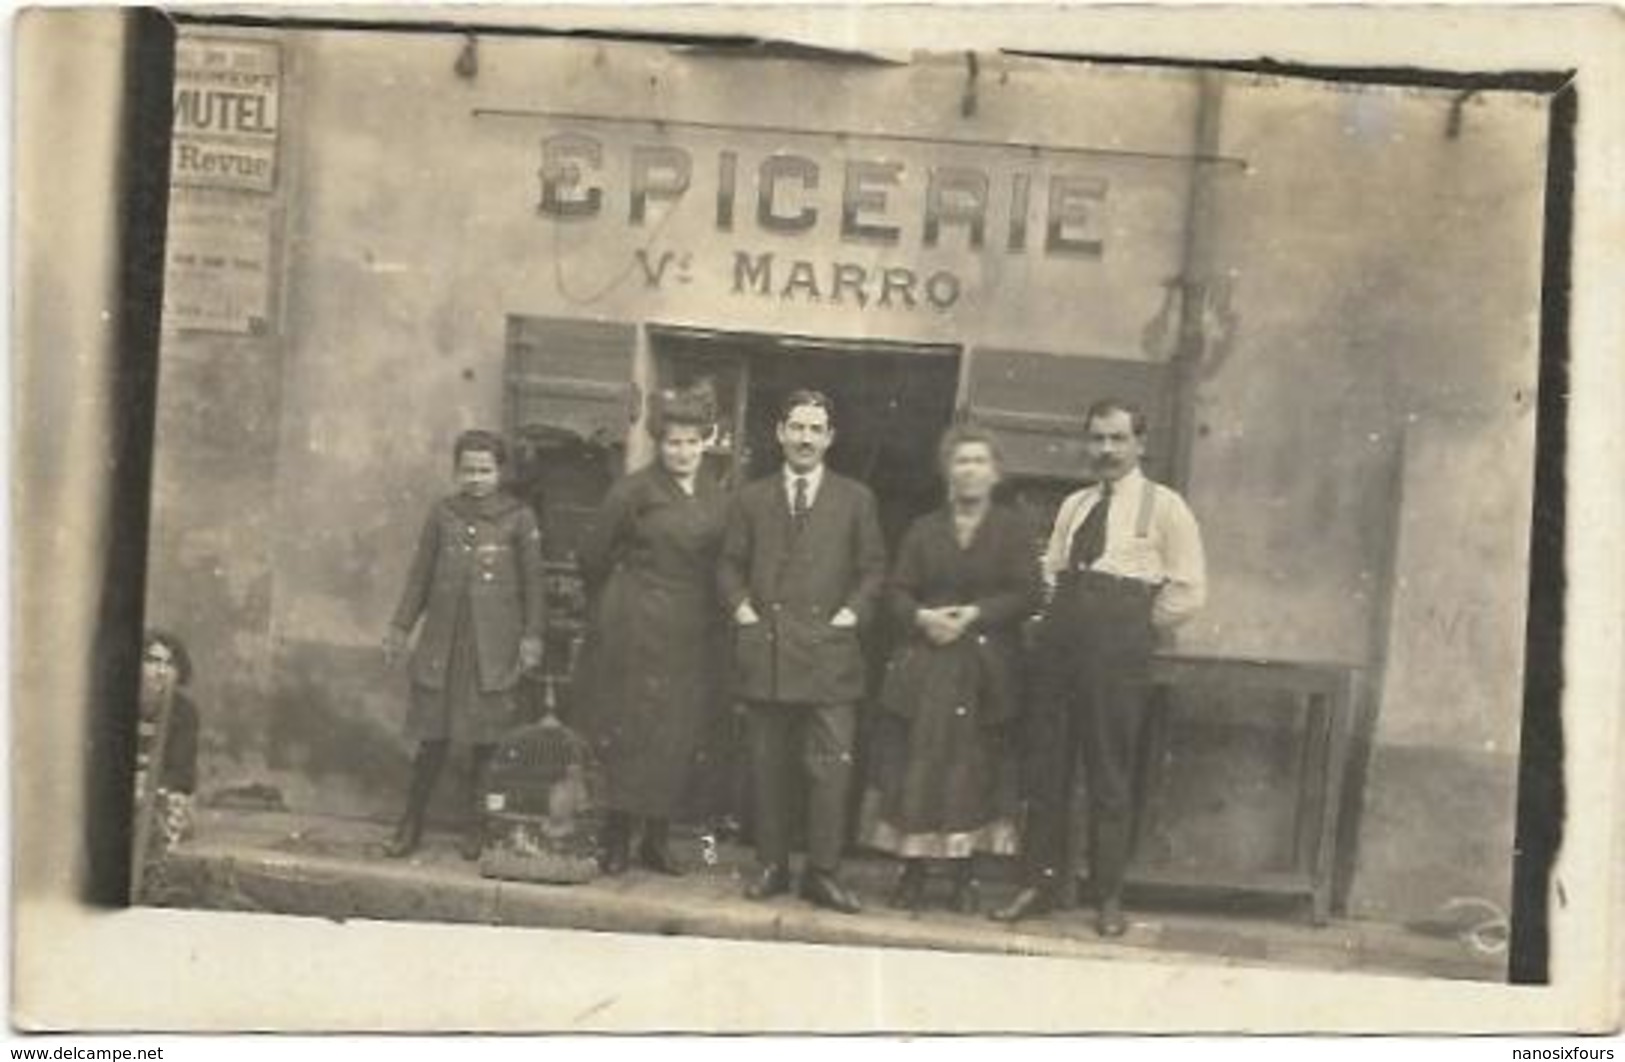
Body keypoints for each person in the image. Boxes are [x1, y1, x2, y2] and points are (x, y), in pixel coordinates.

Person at [991, 399, 1206, 936]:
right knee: (1047, 766)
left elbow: (1188, 591)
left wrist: (1129, 623)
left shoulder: (1165, 507)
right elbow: (1052, 570)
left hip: (1118, 648)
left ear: (1140, 444)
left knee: (1109, 772)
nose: (1106, 451)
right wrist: (1055, 620)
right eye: (1097, 440)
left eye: (1117, 439)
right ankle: (1039, 884)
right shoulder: (1076, 504)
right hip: (1060, 643)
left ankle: (1107, 895)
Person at [718, 389, 886, 914]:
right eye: (797, 427)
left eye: (816, 429)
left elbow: (874, 569)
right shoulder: (752, 498)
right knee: (769, 767)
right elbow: (728, 565)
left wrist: (850, 616)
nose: (805, 438)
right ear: (780, 433)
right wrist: (742, 611)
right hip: (768, 651)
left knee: (830, 770)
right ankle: (772, 866)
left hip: (829, 657)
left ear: (830, 438)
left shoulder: (855, 499)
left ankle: (823, 872)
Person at [860, 426, 1040, 913]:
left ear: (996, 472)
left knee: (972, 770)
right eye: (961, 461)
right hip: (929, 664)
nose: (970, 471)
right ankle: (913, 872)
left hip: (985, 669)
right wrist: (921, 617)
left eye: (980, 461)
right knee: (919, 767)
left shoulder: (1013, 529)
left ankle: (964, 876)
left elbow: (1029, 593)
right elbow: (896, 591)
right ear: (947, 471)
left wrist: (977, 614)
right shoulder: (923, 530)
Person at [575, 387, 729, 876]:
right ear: (659, 443)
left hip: (693, 629)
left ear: (706, 442)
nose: (682, 451)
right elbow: (592, 556)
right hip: (637, 626)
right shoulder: (634, 491)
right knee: (632, 729)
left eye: (691, 441)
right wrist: (617, 605)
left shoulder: (717, 495)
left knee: (675, 734)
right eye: (672, 442)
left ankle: (656, 840)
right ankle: (617, 836)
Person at [382, 429, 546, 860]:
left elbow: (534, 586)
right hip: (444, 643)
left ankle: (478, 825)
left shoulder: (519, 518)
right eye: (467, 470)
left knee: (486, 742)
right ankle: (410, 822)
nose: (475, 478)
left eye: (485, 470)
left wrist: (532, 638)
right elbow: (419, 575)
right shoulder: (443, 514)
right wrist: (400, 628)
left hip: (492, 648)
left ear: (501, 472)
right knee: (432, 739)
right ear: (457, 471)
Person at [133, 629, 202, 898]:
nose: (160, 671)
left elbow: (183, 774)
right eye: (153, 661)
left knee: (157, 831)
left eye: (168, 663)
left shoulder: (185, 712)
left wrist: (148, 787)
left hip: (164, 793)